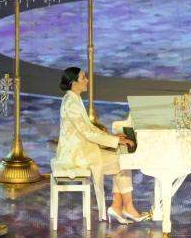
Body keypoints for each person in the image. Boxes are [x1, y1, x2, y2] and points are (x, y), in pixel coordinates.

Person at [51, 67, 145, 224]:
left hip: (80, 151)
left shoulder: (73, 98)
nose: (87, 80)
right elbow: (87, 133)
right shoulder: (71, 103)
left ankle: (118, 206)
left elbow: (89, 128)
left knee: (122, 160)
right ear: (74, 83)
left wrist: (111, 138)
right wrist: (115, 141)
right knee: (123, 161)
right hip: (77, 156)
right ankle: (125, 207)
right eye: (83, 78)